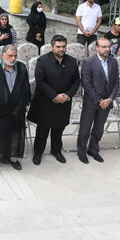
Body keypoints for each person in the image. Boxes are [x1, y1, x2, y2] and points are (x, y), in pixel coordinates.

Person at [27, 34, 81, 165]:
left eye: (63, 46)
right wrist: (54, 96)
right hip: (45, 102)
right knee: (42, 131)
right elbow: (40, 81)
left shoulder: (72, 61)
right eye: (58, 47)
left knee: (59, 129)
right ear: (52, 47)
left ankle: (56, 151)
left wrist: (67, 96)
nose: (61, 49)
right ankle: (38, 153)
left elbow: (76, 82)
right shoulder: (42, 61)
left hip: (64, 102)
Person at [76, 38, 119, 164]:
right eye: (104, 47)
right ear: (96, 48)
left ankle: (93, 150)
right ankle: (82, 151)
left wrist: (110, 99)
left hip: (106, 102)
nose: (107, 49)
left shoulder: (113, 61)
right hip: (92, 102)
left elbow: (116, 82)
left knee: (99, 128)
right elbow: (86, 84)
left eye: (108, 46)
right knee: (85, 128)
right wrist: (100, 100)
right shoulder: (89, 62)